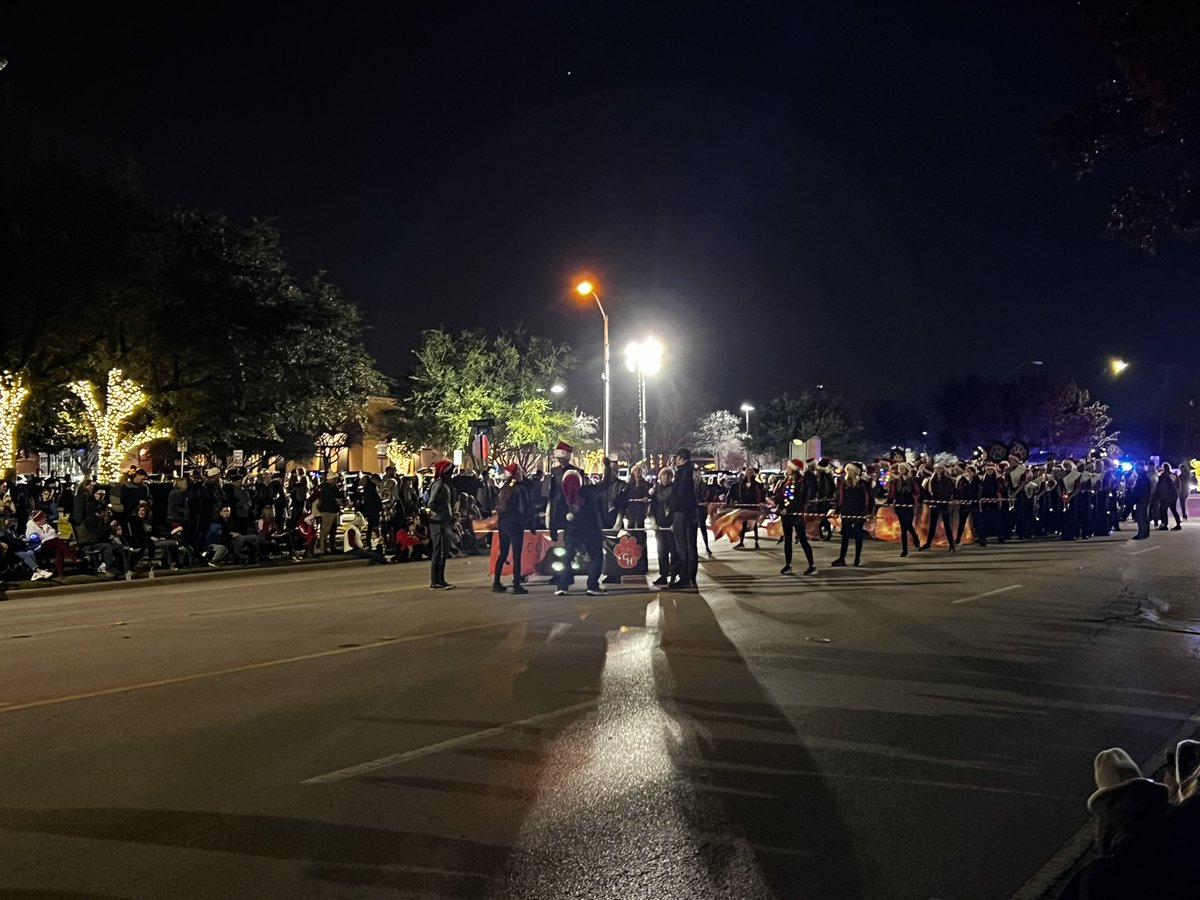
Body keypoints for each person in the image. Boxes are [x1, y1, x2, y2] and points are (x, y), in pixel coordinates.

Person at [555, 457, 614, 596]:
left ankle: (562, 586)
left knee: (568, 558)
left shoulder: (561, 497)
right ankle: (592, 586)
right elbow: (605, 484)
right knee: (596, 557)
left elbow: (556, 515)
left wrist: (556, 529)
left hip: (571, 532)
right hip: (591, 531)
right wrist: (607, 467)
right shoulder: (588, 491)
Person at [492, 463, 531, 594]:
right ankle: (516, 585)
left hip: (503, 524)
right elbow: (524, 509)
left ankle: (496, 582)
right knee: (516, 555)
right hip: (515, 524)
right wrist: (528, 522)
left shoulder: (503, 488)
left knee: (503, 553)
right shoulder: (520, 490)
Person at [776, 459, 816, 575]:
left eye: (788, 467)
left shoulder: (802, 482)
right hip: (786, 516)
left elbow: (801, 500)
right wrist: (777, 503)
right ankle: (788, 565)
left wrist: (788, 509)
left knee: (803, 539)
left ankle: (812, 565)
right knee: (787, 540)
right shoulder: (786, 481)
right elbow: (782, 496)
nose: (786, 468)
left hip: (796, 515)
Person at [832, 462, 872, 567]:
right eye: (848, 470)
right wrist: (837, 510)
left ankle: (857, 559)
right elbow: (840, 498)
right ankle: (841, 558)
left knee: (858, 536)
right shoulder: (844, 483)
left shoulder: (863, 483)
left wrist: (868, 512)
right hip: (847, 511)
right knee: (845, 536)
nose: (849, 472)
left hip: (859, 512)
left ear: (856, 472)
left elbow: (868, 498)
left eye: (851, 470)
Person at [669, 448, 699, 588]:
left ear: (681, 458)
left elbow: (680, 493)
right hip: (693, 512)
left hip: (682, 513)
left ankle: (684, 577)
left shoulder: (683, 472)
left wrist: (673, 507)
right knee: (691, 545)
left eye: (676, 457)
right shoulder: (694, 471)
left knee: (682, 546)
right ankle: (691, 576)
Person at [427, 459, 456, 589]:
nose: (450, 475)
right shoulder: (439, 485)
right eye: (449, 472)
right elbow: (431, 503)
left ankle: (441, 579)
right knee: (438, 551)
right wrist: (441, 515)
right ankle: (435, 581)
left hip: (444, 521)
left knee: (444, 551)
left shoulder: (445, 485)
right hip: (437, 522)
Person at [888, 462, 922, 556]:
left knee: (907, 525)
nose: (901, 469)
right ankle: (905, 550)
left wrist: (916, 499)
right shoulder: (895, 481)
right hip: (899, 505)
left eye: (903, 468)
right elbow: (892, 493)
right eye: (900, 468)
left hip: (909, 505)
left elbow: (918, 491)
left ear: (907, 469)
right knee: (903, 528)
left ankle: (915, 538)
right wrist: (889, 502)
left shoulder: (912, 480)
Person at [920, 463, 956, 551]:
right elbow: (928, 491)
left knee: (947, 526)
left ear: (943, 469)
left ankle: (951, 545)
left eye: (940, 468)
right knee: (932, 525)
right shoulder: (932, 480)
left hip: (944, 504)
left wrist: (947, 498)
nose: (938, 470)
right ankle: (928, 544)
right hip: (935, 504)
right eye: (936, 468)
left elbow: (951, 490)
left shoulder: (947, 479)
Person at [727, 466, 765, 550]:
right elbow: (739, 493)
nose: (749, 474)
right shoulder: (742, 484)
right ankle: (741, 542)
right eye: (748, 472)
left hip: (754, 506)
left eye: (751, 472)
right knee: (743, 524)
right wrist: (738, 501)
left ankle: (756, 541)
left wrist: (759, 502)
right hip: (745, 505)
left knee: (754, 524)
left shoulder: (756, 484)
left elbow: (760, 494)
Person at [649, 467, 675, 586]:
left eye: (668, 475)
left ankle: (674, 574)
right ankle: (663, 574)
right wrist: (653, 521)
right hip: (660, 524)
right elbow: (652, 507)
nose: (666, 477)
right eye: (664, 475)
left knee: (674, 551)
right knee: (661, 551)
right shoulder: (656, 490)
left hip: (671, 524)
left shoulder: (675, 489)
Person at [314, 471, 342, 554]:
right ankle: (324, 548)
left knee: (331, 530)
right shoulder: (327, 487)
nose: (336, 480)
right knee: (326, 531)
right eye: (335, 479)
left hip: (331, 510)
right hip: (328, 510)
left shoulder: (325, 487)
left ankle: (330, 547)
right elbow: (334, 497)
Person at [1155, 462, 1182, 530]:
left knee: (1163, 510)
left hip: (1165, 496)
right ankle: (1178, 523)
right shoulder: (1173, 475)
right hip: (1173, 495)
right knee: (1173, 509)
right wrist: (1177, 493)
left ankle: (1165, 524)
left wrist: (1158, 495)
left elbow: (1161, 487)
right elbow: (1178, 485)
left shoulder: (1163, 476)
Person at [1129, 462, 1152, 540]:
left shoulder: (1143, 478)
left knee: (1141, 516)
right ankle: (1144, 532)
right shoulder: (1142, 477)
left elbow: (1142, 489)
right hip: (1143, 498)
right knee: (1143, 516)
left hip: (1142, 498)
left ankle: (1142, 533)